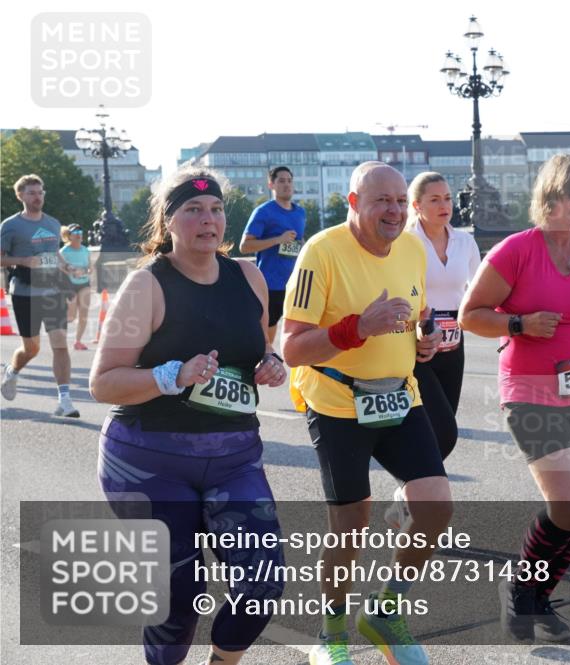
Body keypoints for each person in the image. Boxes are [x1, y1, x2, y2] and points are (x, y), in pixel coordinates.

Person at [89, 167, 287, 665]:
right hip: (148, 457)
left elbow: (259, 347)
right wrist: (172, 376)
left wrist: (272, 364)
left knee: (262, 581)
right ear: (169, 221)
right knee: (180, 594)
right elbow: (103, 381)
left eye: (217, 209)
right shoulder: (147, 285)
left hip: (234, 455)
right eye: (193, 210)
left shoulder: (248, 276)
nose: (208, 219)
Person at [458, 153, 570, 643]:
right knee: (568, 506)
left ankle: (538, 597)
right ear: (550, 196)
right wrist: (521, 323)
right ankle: (518, 588)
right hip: (531, 389)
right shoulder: (516, 250)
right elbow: (470, 315)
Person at [283, 161, 449, 665]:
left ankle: (385, 611)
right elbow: (291, 349)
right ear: (354, 203)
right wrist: (357, 327)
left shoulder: (413, 248)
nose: (394, 211)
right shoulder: (322, 253)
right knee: (350, 525)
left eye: (400, 201)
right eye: (382, 201)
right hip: (336, 402)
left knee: (435, 506)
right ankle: (332, 632)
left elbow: (417, 313)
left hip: (400, 394)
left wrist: (425, 339)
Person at [379, 173, 481, 528]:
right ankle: (420, 501)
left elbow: (476, 294)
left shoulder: (465, 243)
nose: (445, 206)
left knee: (444, 431)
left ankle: (407, 495)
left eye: (448, 198)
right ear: (417, 207)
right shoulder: (406, 243)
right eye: (435, 200)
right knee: (440, 431)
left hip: (453, 344)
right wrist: (420, 331)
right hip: (416, 344)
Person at [0, 174, 79, 417]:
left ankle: (65, 401)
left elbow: (54, 252)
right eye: (32, 193)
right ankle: (12, 372)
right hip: (24, 292)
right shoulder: (10, 226)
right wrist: (22, 260)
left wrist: (67, 267)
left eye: (40, 192)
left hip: (52, 290)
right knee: (31, 348)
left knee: (60, 344)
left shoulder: (53, 223)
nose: (38, 197)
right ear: (20, 196)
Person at [239, 166, 306, 342]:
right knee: (267, 338)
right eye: (281, 181)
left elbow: (298, 241)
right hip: (270, 285)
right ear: (271, 184)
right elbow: (245, 246)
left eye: (289, 181)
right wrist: (278, 239)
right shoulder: (264, 211)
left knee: (301, 332)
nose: (287, 185)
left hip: (297, 284)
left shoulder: (300, 212)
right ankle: (265, 364)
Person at [59, 223, 93, 350]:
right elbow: (60, 269)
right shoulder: (64, 251)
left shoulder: (85, 250)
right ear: (70, 236)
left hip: (84, 284)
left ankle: (78, 341)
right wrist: (72, 272)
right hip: (69, 285)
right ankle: (59, 332)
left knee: (84, 315)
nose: (79, 236)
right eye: (76, 234)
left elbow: (91, 267)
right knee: (71, 316)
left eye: (80, 233)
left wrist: (86, 271)